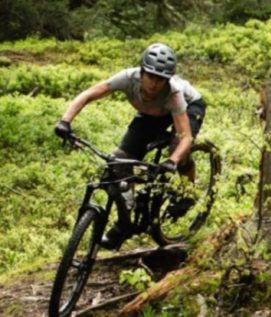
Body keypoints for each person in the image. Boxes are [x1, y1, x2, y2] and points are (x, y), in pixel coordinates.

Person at [54, 43, 206, 250]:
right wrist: (65, 121)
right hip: (152, 113)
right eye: (150, 76)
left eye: (160, 79)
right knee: (118, 163)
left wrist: (172, 161)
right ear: (141, 72)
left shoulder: (174, 94)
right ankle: (125, 223)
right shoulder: (127, 77)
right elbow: (89, 94)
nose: (154, 83)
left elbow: (186, 136)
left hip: (188, 108)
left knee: (178, 149)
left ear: (167, 79)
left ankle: (189, 193)